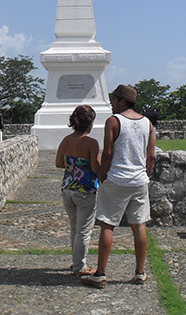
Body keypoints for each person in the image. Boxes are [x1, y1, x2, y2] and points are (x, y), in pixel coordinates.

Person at [81, 85, 155, 288]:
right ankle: (140, 272)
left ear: (122, 101)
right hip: (139, 180)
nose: (112, 103)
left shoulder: (114, 121)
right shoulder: (147, 123)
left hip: (117, 179)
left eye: (114, 99)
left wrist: (102, 175)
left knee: (107, 225)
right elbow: (150, 154)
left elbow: (107, 153)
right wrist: (145, 173)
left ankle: (101, 273)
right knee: (138, 225)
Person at [56, 105, 101, 276]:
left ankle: (76, 261)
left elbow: (59, 163)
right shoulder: (91, 143)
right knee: (84, 231)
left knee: (74, 228)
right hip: (85, 190)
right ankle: (79, 267)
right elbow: (96, 168)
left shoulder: (66, 140)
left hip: (67, 189)